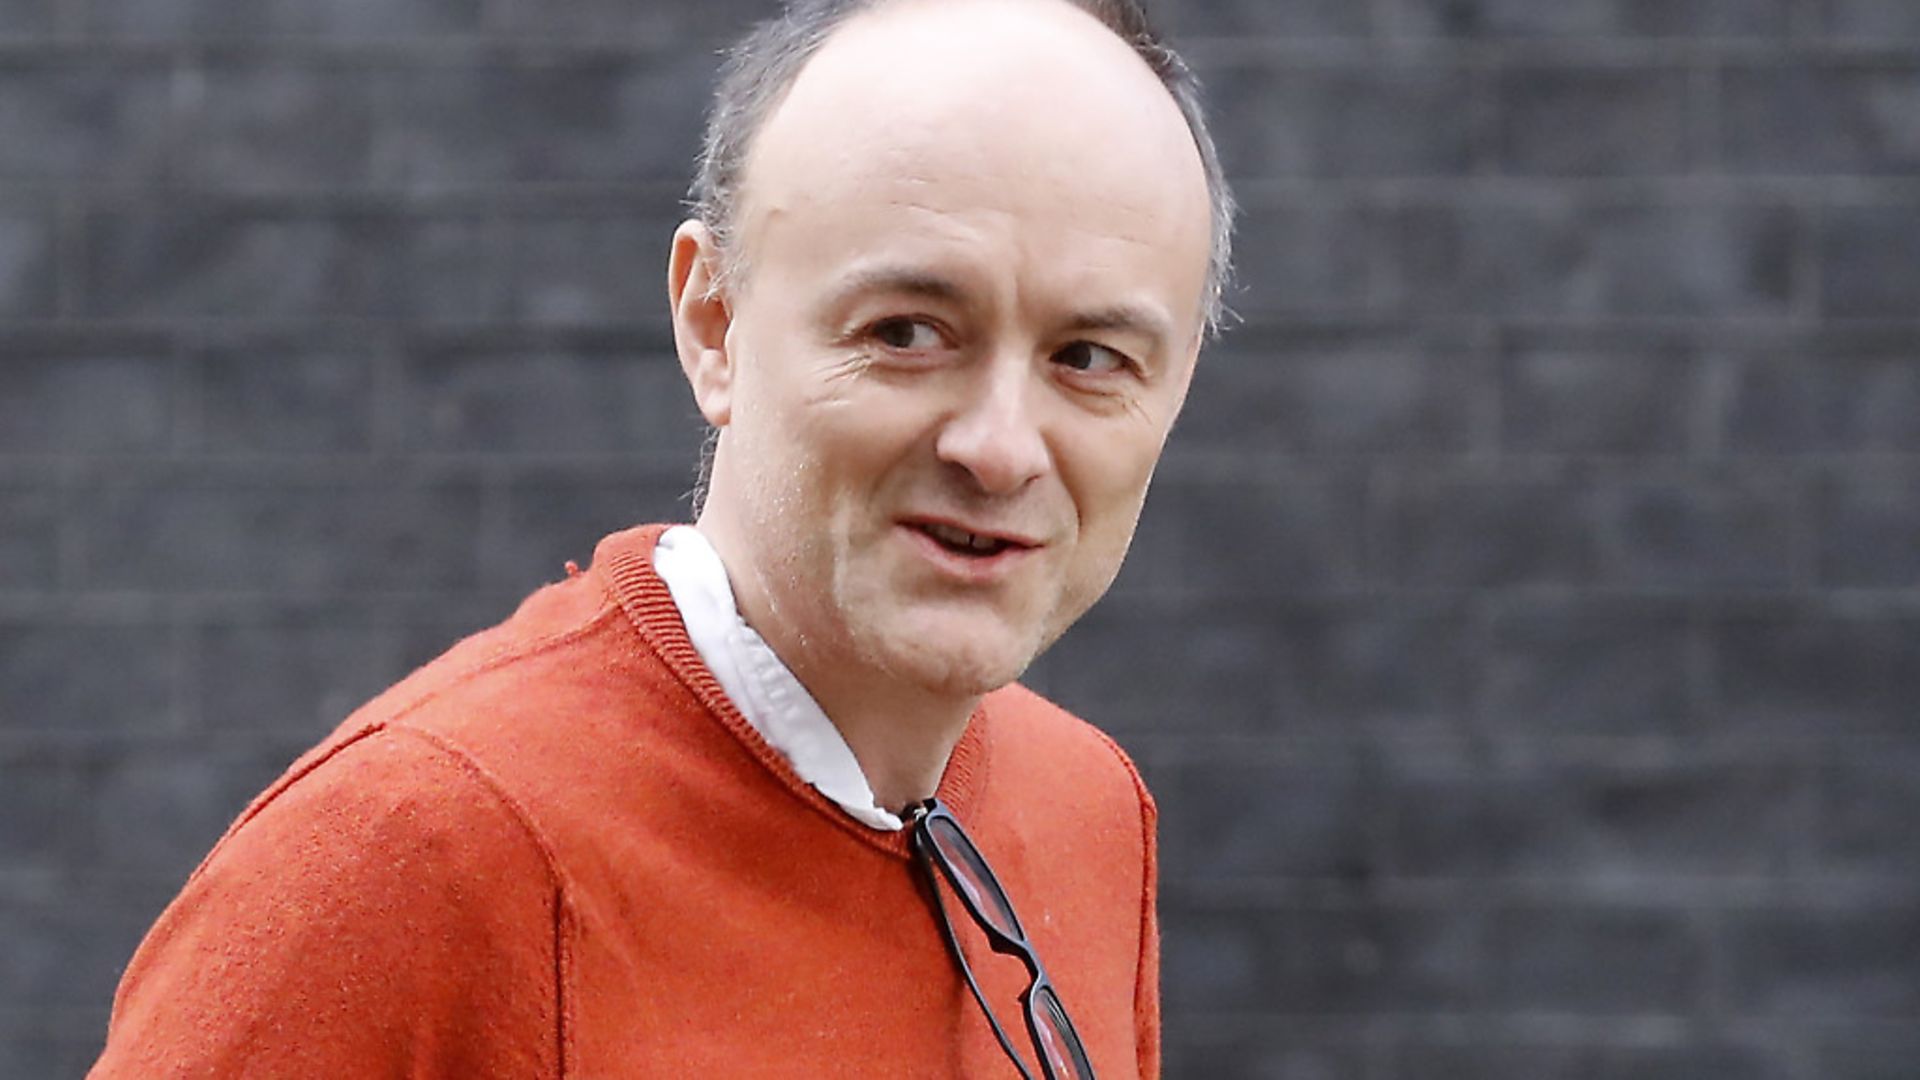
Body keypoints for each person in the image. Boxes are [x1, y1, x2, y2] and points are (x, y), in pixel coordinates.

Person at [89, 0, 1232, 1075]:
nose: (1000, 447)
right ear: (713, 325)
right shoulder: (412, 854)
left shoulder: (1089, 811)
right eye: (908, 331)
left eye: (1089, 358)